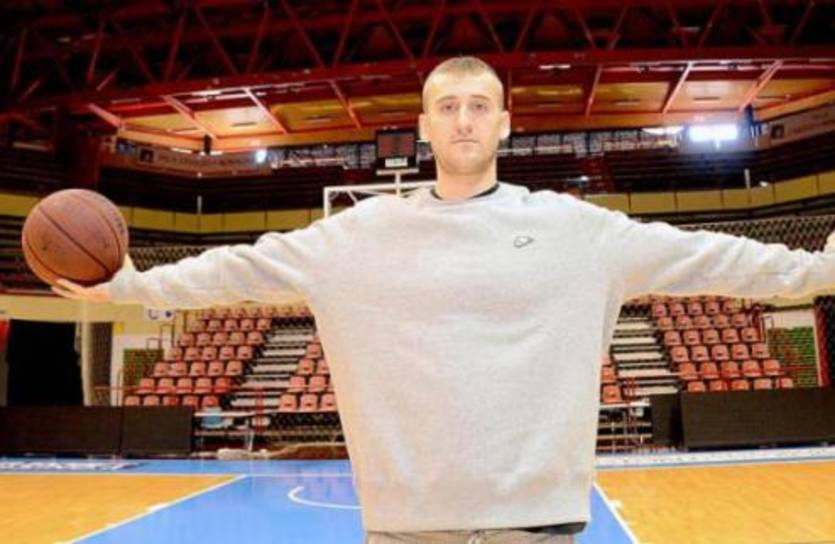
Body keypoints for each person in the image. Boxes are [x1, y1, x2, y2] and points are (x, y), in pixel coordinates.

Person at [53, 56, 835, 544]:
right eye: (447, 105)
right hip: (406, 527)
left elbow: (713, 257)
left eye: (479, 105)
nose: (463, 118)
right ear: (423, 127)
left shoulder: (577, 230)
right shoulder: (353, 236)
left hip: (535, 525)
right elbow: (235, 270)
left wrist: (816, 272)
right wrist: (131, 287)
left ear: (505, 124)